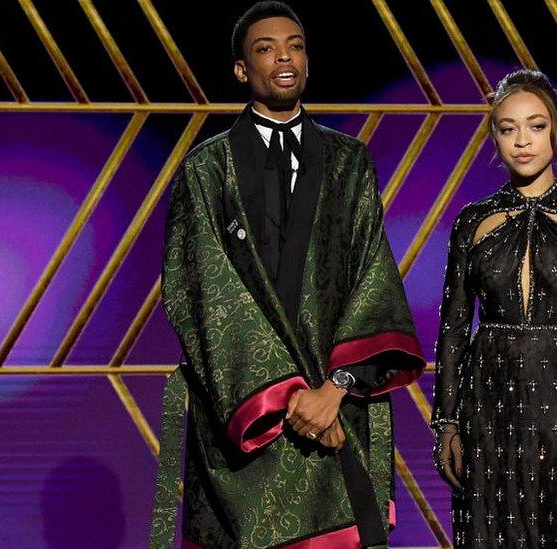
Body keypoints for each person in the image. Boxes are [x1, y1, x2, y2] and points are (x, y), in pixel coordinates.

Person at [150, 2, 425, 547]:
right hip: (245, 424)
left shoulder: (350, 162)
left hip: (338, 413)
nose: (284, 57)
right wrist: (283, 396)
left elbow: (373, 276)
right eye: (266, 47)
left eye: (295, 45)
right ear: (241, 70)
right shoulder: (206, 169)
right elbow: (200, 291)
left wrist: (335, 389)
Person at [430, 69, 557, 548]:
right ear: (494, 135)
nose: (522, 141)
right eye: (507, 127)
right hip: (488, 394)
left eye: (536, 126)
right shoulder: (471, 221)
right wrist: (447, 422)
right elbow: (452, 329)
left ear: (556, 132)